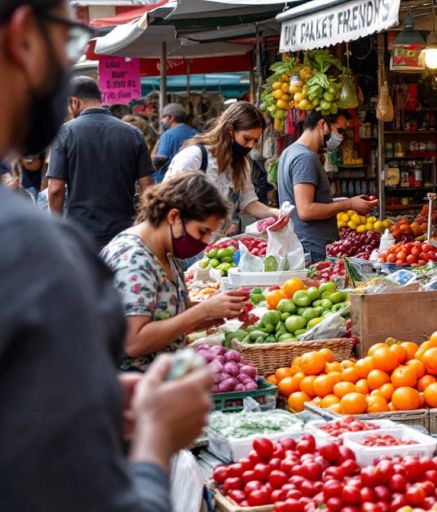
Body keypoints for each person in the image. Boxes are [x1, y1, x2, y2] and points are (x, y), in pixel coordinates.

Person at [0, 1, 212, 510]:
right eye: (71, 41)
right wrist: (157, 439)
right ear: (26, 37)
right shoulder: (33, 258)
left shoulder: (66, 147)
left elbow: (55, 190)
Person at [101, 172, 249, 371]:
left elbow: (175, 317)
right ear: (173, 216)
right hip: (129, 392)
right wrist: (203, 310)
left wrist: (219, 313)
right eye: (202, 231)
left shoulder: (168, 254)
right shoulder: (133, 260)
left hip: (159, 386)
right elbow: (133, 341)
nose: (206, 242)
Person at [47, 76, 155, 248]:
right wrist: (144, 228)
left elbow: (55, 189)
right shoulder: (133, 133)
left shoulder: (64, 133)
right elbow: (148, 188)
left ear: (74, 102)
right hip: (125, 233)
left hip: (81, 233)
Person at [167, 101, 282, 235]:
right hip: (188, 244)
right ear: (230, 129)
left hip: (222, 247)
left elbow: (248, 202)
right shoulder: (194, 157)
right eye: (246, 138)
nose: (250, 146)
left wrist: (274, 213)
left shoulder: (242, 163)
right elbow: (169, 202)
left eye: (255, 141)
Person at [277, 111, 377, 262]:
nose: (341, 137)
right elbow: (306, 210)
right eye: (340, 130)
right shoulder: (305, 158)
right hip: (313, 249)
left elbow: (300, 205)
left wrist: (349, 203)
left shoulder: (288, 153)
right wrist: (348, 204)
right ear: (322, 125)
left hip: (304, 246)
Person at [152, 103, 196, 182]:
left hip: (170, 182)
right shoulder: (196, 133)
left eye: (164, 117)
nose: (161, 121)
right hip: (192, 181)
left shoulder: (168, 135)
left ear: (171, 118)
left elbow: (160, 159)